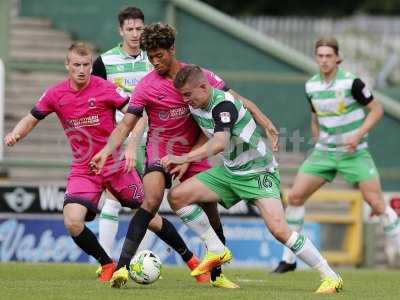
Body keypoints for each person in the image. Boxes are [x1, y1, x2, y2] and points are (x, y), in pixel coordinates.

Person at [89, 22, 278, 289]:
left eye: (159, 55)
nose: (155, 61)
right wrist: (107, 151)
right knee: (151, 201)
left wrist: (263, 119)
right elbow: (125, 125)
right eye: (150, 57)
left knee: (211, 212)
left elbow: (234, 99)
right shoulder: (146, 87)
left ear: (172, 49)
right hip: (160, 150)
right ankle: (121, 268)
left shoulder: (197, 77)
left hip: (193, 150)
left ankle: (218, 274)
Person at [4, 42, 205, 283]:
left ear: (91, 65)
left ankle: (192, 260)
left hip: (117, 166)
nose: (81, 69)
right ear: (67, 65)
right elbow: (31, 118)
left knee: (149, 216)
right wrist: (16, 134)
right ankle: (107, 263)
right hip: (84, 169)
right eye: (76, 65)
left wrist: (131, 145)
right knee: (73, 222)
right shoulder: (55, 94)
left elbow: (137, 113)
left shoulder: (105, 88)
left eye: (86, 65)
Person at [161, 64, 343, 294]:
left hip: (258, 172)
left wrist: (182, 157)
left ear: (204, 87)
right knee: (177, 197)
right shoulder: (197, 103)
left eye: (188, 94)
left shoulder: (223, 105)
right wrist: (266, 122)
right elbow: (246, 103)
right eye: (182, 96)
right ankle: (216, 248)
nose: (185, 100)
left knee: (279, 230)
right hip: (229, 172)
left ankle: (330, 275)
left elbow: (219, 143)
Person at [273, 37, 400, 273]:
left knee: (376, 203)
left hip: (354, 153)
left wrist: (358, 135)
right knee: (296, 197)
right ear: (316, 58)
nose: (324, 60)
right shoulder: (311, 86)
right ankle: (288, 260)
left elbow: (377, 110)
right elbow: (315, 117)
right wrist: (317, 138)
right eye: (320, 56)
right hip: (324, 152)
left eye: (328, 56)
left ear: (337, 58)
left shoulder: (352, 83)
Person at [91, 6, 150, 264]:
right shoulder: (105, 62)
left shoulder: (153, 59)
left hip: (153, 139)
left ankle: (139, 260)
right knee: (113, 197)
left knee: (149, 201)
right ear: (121, 31)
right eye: (130, 29)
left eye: (139, 29)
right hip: (119, 137)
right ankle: (105, 262)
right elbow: (94, 98)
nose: (135, 34)